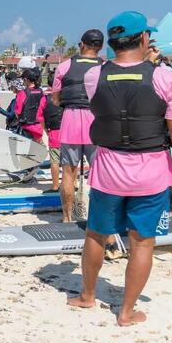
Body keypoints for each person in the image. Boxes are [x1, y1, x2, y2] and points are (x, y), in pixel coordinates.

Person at [66, 11, 172, 326]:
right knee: (142, 241)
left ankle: (87, 296)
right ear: (143, 38)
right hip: (152, 173)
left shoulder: (93, 76)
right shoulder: (165, 77)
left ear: (112, 43)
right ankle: (126, 312)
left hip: (108, 170)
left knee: (97, 234)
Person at [51, 30, 105, 222]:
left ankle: (67, 217)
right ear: (101, 46)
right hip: (97, 120)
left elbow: (56, 99)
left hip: (71, 118)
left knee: (69, 171)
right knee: (100, 171)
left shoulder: (65, 66)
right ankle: (99, 217)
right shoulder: (106, 67)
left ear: (82, 44)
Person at [13, 69, 46, 141]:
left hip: (26, 128)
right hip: (39, 128)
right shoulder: (41, 92)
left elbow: (17, 112)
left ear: (26, 79)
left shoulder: (23, 93)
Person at [44, 73, 63, 193]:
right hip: (68, 133)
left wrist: (46, 131)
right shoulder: (66, 97)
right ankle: (74, 183)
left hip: (54, 132)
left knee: (54, 161)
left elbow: (41, 118)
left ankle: (55, 186)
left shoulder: (45, 98)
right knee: (71, 161)